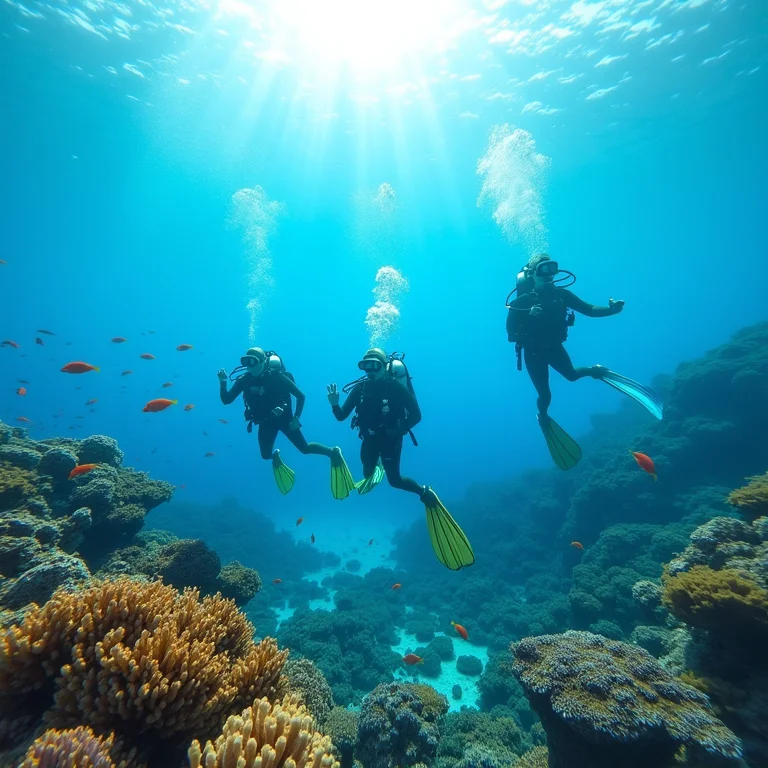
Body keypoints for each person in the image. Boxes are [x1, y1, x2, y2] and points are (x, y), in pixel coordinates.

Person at [507, 253, 663, 470]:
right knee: (545, 395)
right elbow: (511, 334)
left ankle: (594, 371)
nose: (549, 274)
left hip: (554, 347)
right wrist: (529, 316)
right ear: (532, 274)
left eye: (552, 268)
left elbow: (589, 309)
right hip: (533, 353)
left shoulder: (562, 295)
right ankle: (542, 416)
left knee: (571, 375)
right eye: (543, 269)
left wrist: (612, 310)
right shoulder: (521, 302)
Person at [326, 348, 474, 571]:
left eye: (375, 365)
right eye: (366, 366)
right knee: (367, 472)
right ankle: (372, 465)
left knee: (394, 481)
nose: (370, 371)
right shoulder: (360, 389)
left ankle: (425, 492)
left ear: (385, 366)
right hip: (369, 439)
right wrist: (334, 403)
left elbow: (417, 415)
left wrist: (399, 430)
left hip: (390, 440)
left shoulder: (394, 387)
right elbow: (341, 416)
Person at [218, 347, 356, 499]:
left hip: (285, 420)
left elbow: (301, 396)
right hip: (265, 422)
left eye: (253, 362)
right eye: (246, 362)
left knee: (304, 448)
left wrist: (296, 418)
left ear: (263, 362)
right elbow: (227, 400)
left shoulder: (276, 377)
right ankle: (276, 455)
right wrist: (223, 382)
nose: (250, 366)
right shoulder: (244, 380)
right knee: (265, 455)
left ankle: (332, 452)